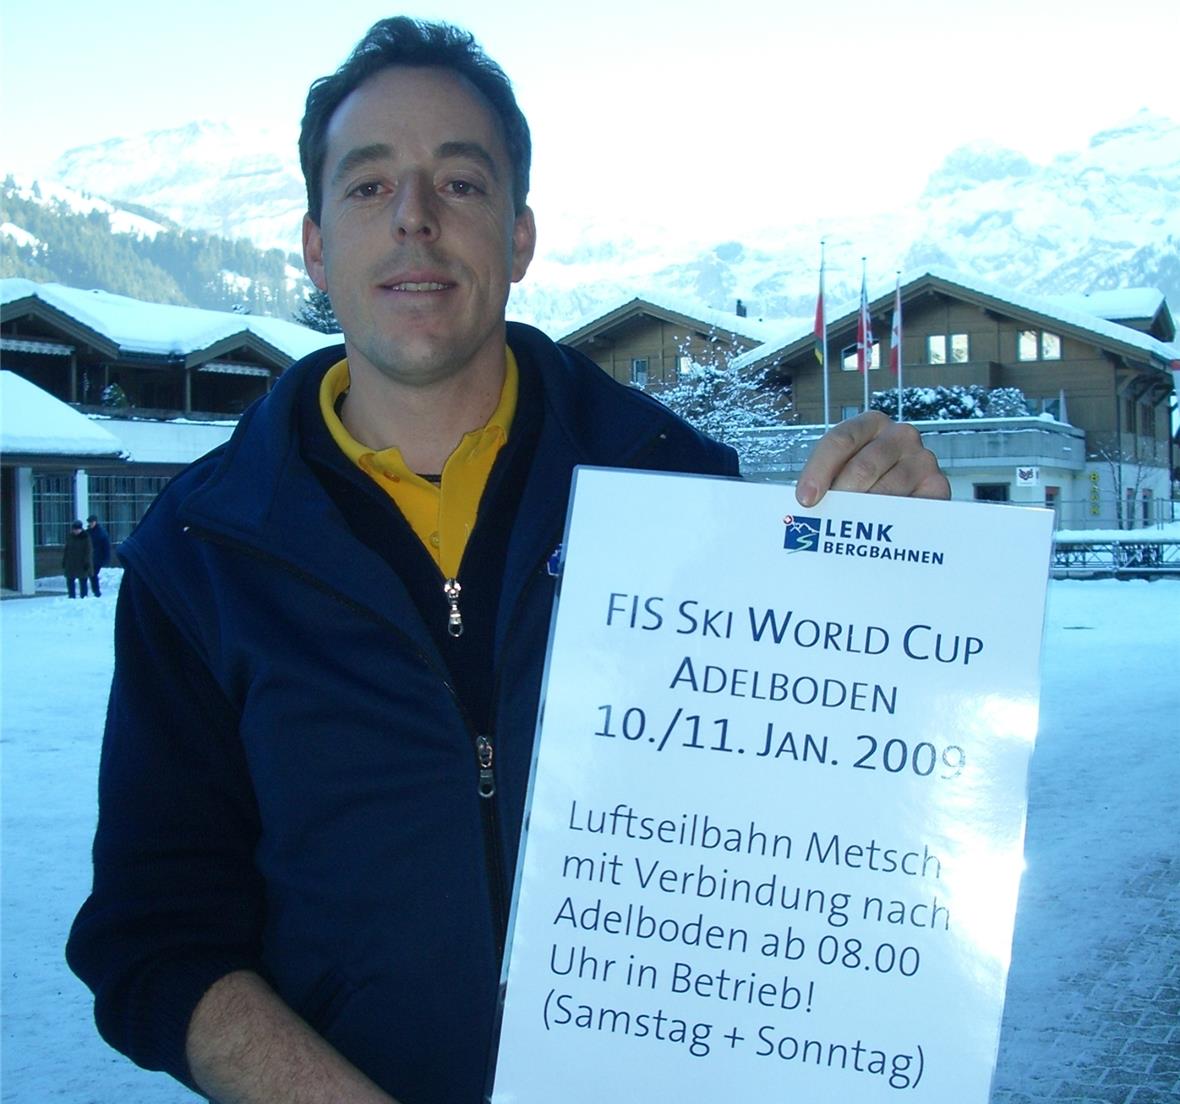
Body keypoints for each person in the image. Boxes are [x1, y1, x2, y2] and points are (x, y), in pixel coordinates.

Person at [66, 18, 948, 1104]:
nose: (415, 217)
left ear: (520, 237)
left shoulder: (682, 497)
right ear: (315, 247)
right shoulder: (200, 556)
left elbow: (832, 831)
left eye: (461, 183)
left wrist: (897, 570)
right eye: (368, 185)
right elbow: (155, 936)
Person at [62, 520, 94, 598]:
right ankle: (71, 596)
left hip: (82, 562)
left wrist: (87, 562)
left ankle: (83, 597)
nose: (76, 531)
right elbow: (66, 549)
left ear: (81, 529)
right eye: (74, 529)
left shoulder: (85, 537)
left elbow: (88, 551)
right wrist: (64, 560)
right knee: (70, 579)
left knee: (83, 580)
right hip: (71, 562)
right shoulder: (70, 537)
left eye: (77, 529)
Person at [86, 515, 111, 597]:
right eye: (90, 522)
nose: (91, 523)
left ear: (95, 522)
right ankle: (94, 591)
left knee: (93, 574)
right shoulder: (88, 532)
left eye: (92, 522)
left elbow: (106, 546)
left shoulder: (101, 533)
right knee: (90, 575)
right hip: (90, 557)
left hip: (98, 557)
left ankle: (96, 592)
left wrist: (106, 558)